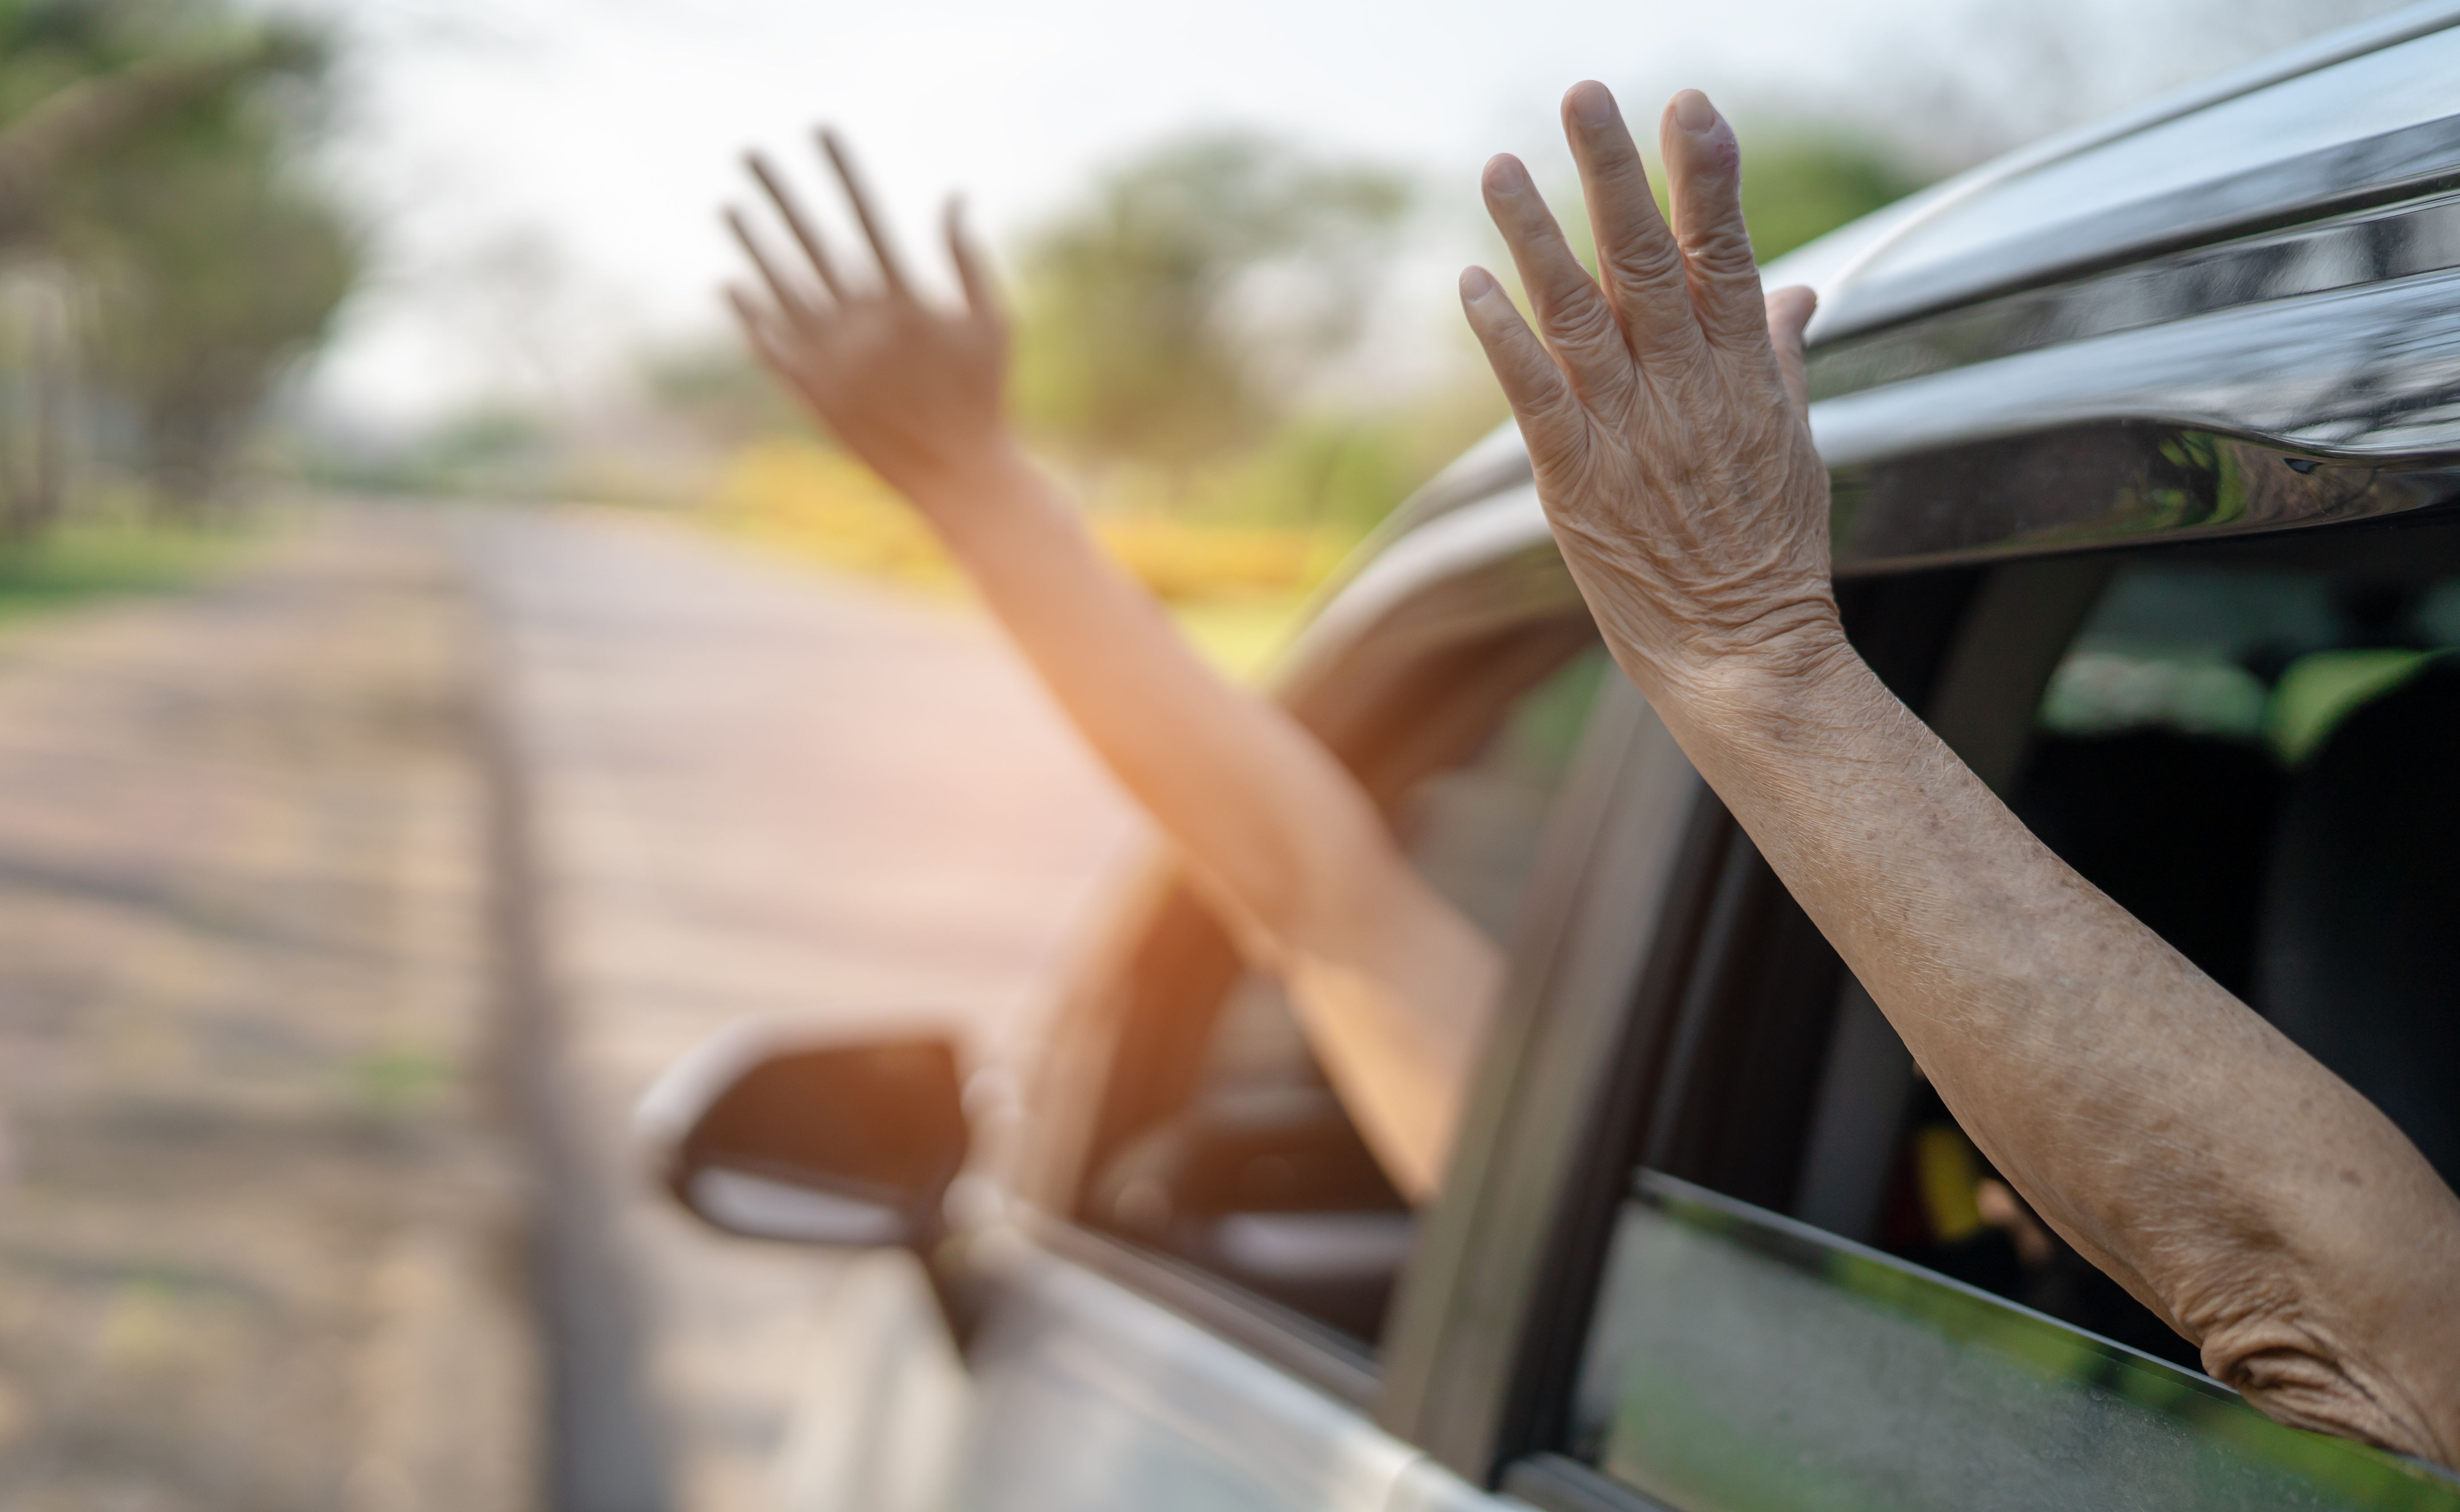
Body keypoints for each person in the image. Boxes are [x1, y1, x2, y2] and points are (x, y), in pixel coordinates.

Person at [722, 89, 2460, 1469]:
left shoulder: (1825, 1353)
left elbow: (2371, 1327)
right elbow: (1306, 889)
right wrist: (978, 488)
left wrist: (1763, 671)